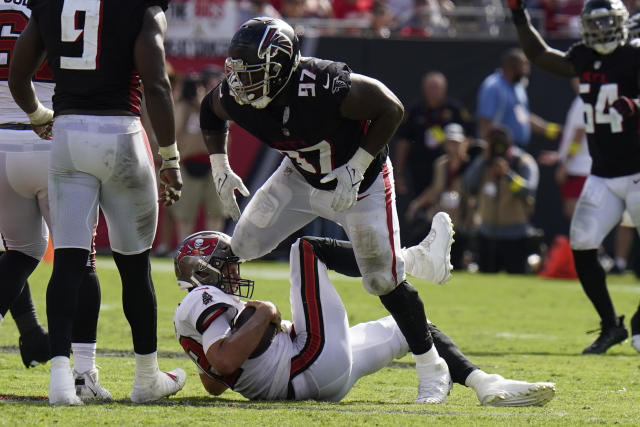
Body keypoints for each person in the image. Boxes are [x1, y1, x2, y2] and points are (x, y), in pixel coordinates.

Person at [200, 17, 454, 403]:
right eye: (236, 73)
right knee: (245, 244)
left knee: (382, 281)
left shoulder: (321, 84)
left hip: (360, 185)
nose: (239, 84)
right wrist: (220, 165)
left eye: (251, 74)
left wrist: (357, 167)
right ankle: (413, 259)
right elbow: (210, 108)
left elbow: (391, 108)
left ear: (280, 67)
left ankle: (432, 366)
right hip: (299, 177)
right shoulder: (239, 98)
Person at [9, 0, 186, 405]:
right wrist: (171, 158)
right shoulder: (139, 8)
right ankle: (146, 378)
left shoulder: (51, 5)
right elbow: (156, 83)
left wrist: (39, 116)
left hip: (69, 136)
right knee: (134, 267)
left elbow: (20, 76)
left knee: (69, 261)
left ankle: (59, 380)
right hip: (122, 134)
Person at [173, 230, 556, 405]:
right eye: (227, 267)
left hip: (314, 379)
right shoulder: (202, 296)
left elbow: (215, 382)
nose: (235, 275)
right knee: (306, 250)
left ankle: (485, 383)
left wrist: (255, 330)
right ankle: (411, 259)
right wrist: (268, 314)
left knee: (409, 330)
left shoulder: (196, 316)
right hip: (308, 362)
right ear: (202, 272)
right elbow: (224, 359)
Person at [508, 0, 640, 353]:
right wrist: (519, 15)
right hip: (602, 173)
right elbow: (540, 55)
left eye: (605, 23)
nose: (599, 32)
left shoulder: (634, 54)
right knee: (582, 241)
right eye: (593, 25)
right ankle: (611, 325)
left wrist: (636, 104)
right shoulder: (582, 56)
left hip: (638, 169)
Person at [0, 0, 111, 400]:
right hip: (49, 133)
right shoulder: (59, 6)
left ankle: (41, 339)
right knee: (80, 259)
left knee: (21, 253)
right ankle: (83, 373)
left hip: (0, 143)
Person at [463, 126, 539, 274]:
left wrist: (508, 175)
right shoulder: (484, 162)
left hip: (515, 235)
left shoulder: (522, 161)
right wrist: (482, 161)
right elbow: (467, 185)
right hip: (487, 234)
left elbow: (529, 190)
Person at [405, 123, 475, 270]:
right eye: (450, 143)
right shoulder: (441, 164)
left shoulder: (469, 165)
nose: (453, 147)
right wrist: (416, 205)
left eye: (456, 143)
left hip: (461, 219)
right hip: (441, 215)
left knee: (457, 259)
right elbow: (435, 190)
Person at [476, 48, 561, 150]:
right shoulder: (493, 87)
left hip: (518, 149)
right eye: (524, 65)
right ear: (511, 66)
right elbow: (485, 123)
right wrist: (492, 151)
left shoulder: (518, 87)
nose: (527, 71)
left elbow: (524, 117)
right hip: (500, 149)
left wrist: (552, 130)